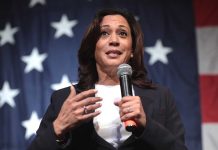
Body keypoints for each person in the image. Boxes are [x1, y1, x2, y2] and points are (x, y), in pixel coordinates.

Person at [28, 8, 188, 150]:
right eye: (104, 33)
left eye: (122, 33)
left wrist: (146, 125)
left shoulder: (161, 97)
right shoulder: (65, 99)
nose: (114, 40)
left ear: (132, 49)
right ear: (92, 47)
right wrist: (58, 127)